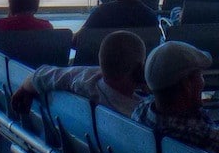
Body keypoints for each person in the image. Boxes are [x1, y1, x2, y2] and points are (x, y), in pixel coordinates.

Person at [11, 30, 147, 119]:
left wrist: (24, 88)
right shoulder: (140, 113)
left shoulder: (84, 81)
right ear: (140, 70)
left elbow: (40, 75)